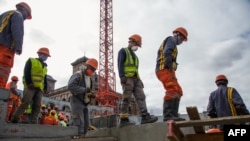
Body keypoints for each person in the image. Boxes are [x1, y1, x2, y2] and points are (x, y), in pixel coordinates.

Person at [117, 34, 158, 127]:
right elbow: (120, 64)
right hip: (127, 78)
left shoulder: (135, 57)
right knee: (126, 98)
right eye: (137, 45)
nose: (137, 47)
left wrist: (139, 80)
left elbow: (135, 69)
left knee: (141, 96)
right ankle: (123, 119)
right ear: (132, 42)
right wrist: (121, 76)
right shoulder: (123, 51)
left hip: (136, 79)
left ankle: (145, 117)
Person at [155, 27, 188, 121]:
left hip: (169, 70)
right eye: (182, 38)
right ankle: (168, 115)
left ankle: (174, 114)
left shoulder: (173, 43)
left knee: (178, 91)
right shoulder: (171, 40)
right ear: (177, 34)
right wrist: (170, 66)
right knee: (172, 89)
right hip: (164, 69)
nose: (182, 41)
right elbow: (167, 52)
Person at [11, 47, 51, 124]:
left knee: (37, 106)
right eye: (44, 54)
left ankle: (34, 121)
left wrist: (45, 87)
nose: (45, 57)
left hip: (39, 89)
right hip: (30, 87)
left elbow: (44, 78)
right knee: (26, 102)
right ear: (39, 54)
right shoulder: (31, 61)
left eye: (46, 56)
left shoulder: (45, 67)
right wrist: (29, 82)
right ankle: (15, 118)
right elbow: (26, 72)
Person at [0, 2, 32, 88]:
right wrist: (19, 47)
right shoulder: (18, 15)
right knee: (3, 70)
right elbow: (17, 32)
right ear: (24, 11)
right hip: (5, 49)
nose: (25, 19)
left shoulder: (5, 14)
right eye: (26, 16)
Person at [68, 58, 98, 137]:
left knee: (86, 123)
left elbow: (87, 91)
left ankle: (83, 136)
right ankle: (77, 136)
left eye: (94, 69)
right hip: (77, 100)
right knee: (79, 121)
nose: (92, 71)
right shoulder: (78, 75)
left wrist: (91, 95)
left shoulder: (90, 79)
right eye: (91, 68)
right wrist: (84, 90)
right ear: (87, 66)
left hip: (85, 103)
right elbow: (71, 86)